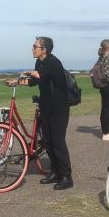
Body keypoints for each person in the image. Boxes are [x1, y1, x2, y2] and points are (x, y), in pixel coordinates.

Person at [16, 37, 73, 190]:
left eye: (35, 46)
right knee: (47, 141)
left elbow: (40, 75)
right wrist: (16, 82)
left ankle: (67, 176)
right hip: (46, 107)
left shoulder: (54, 62)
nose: (32, 48)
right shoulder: (39, 63)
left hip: (59, 108)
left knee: (58, 142)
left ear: (44, 49)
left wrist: (29, 72)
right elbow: (34, 81)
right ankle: (55, 172)